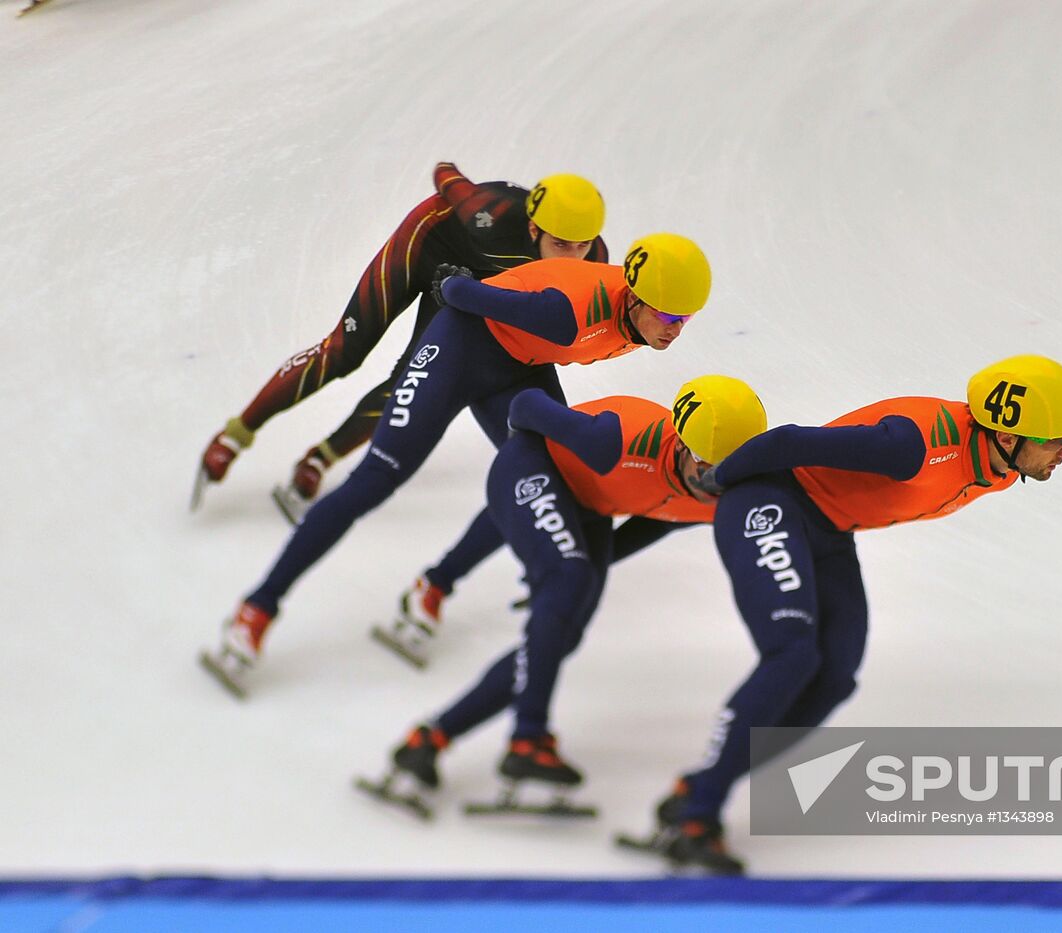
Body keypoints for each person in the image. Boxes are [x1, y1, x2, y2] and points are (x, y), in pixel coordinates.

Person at [197, 233, 713, 699]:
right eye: (669, 318)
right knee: (378, 478)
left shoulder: (634, 314)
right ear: (637, 298)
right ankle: (257, 608)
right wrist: (454, 282)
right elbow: (463, 294)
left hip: (519, 367)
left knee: (545, 477)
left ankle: (434, 585)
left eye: (686, 320)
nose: (676, 332)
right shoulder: (571, 311)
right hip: (459, 347)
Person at [633, 355, 1062, 874]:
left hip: (827, 529)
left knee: (834, 677)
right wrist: (721, 480)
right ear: (1007, 436)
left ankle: (699, 786)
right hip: (769, 502)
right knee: (792, 653)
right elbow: (787, 443)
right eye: (1055, 440)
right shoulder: (913, 445)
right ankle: (698, 815)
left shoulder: (1002, 466)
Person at [357, 376, 768, 816]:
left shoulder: (723, 493)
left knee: (559, 637)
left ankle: (428, 740)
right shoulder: (619, 439)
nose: (715, 484)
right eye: (707, 469)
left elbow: (662, 516)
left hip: (589, 508)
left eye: (729, 474)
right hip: (532, 466)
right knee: (568, 578)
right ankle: (527, 739)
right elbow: (526, 403)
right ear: (683, 446)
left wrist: (592, 566)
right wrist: (559, 565)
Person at [194, 163, 609, 520]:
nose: (571, 258)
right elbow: (446, 177)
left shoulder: (594, 261)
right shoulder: (491, 214)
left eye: (581, 245)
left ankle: (320, 459)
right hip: (426, 244)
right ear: (534, 226)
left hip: (463, 285)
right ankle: (235, 434)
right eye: (559, 244)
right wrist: (449, 169)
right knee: (345, 350)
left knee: (412, 379)